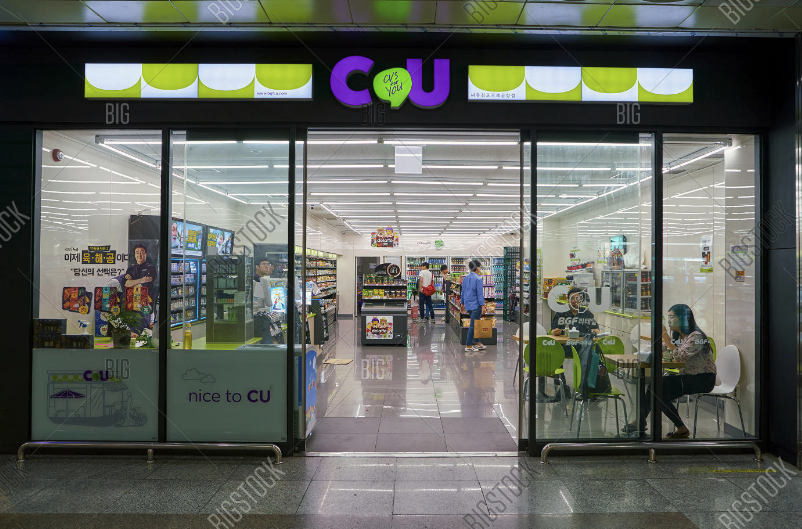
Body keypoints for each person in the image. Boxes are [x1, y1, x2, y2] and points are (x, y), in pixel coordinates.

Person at [624, 304, 717, 438]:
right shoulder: (679, 336)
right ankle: (674, 427)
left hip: (703, 379)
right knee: (657, 387)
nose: (669, 321)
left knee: (659, 389)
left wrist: (664, 335)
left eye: (672, 317)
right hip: (687, 377)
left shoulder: (696, 336)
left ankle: (644, 421)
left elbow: (680, 356)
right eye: (668, 317)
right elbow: (663, 348)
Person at [123, 244, 157, 333]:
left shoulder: (151, 268)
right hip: (131, 301)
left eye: (142, 252)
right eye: (137, 252)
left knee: (144, 329)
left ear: (146, 254)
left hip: (146, 302)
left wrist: (133, 283)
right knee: (131, 328)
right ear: (134, 255)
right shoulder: (130, 269)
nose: (139, 255)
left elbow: (145, 285)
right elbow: (126, 284)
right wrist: (142, 279)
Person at [460, 259, 487, 354]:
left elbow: (463, 292)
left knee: (475, 324)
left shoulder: (465, 278)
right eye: (479, 267)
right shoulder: (478, 279)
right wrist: (483, 305)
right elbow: (480, 294)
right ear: (477, 268)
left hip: (468, 305)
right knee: (473, 325)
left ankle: (477, 342)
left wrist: (462, 304)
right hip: (476, 305)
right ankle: (468, 345)